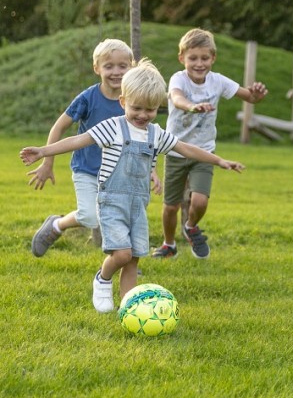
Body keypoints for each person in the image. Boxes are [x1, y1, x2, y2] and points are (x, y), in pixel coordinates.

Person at [20, 60, 245, 313]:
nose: (142, 115)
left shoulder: (155, 134)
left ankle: (128, 307)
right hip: (112, 203)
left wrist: (219, 160)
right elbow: (78, 140)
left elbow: (186, 149)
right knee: (122, 254)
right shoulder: (112, 127)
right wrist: (44, 151)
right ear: (123, 102)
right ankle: (103, 278)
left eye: (150, 110)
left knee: (134, 259)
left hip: (138, 205)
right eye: (136, 108)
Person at [26, 38, 161, 257]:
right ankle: (57, 225)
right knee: (90, 216)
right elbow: (59, 127)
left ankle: (124, 263)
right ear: (97, 68)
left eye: (122, 66)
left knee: (123, 217)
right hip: (87, 169)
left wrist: (151, 170)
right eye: (109, 66)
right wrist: (47, 163)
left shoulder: (135, 102)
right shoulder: (88, 98)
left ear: (131, 67)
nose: (116, 72)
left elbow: (143, 140)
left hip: (119, 174)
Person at [151, 28, 267, 260]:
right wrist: (192, 107)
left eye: (204, 58)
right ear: (182, 58)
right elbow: (177, 98)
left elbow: (248, 97)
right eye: (193, 58)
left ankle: (190, 226)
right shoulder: (178, 79)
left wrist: (256, 95)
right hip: (176, 150)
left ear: (213, 58)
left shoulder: (218, 81)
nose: (199, 63)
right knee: (171, 206)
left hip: (203, 153)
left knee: (200, 200)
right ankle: (169, 244)